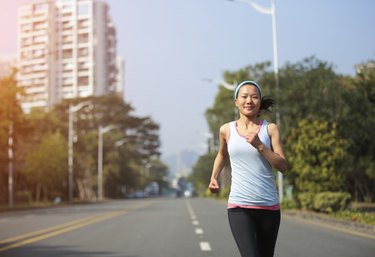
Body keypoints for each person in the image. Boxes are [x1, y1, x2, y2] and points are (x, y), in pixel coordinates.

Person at [208, 80, 287, 257]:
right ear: (236, 101)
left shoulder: (270, 129)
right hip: (239, 206)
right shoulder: (226, 130)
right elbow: (222, 155)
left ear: (259, 101)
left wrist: (260, 146)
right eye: (244, 97)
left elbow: (282, 166)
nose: (249, 101)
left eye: (254, 97)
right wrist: (214, 176)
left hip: (269, 206)